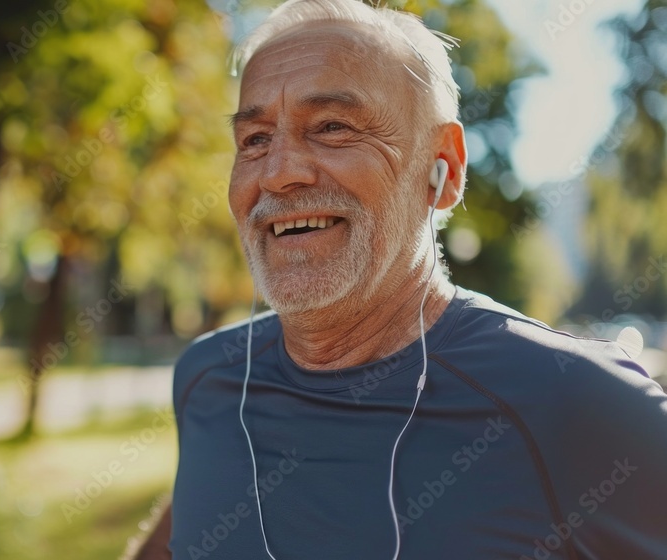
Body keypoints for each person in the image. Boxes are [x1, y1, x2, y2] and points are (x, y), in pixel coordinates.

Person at [130, 0, 667, 558]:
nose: (279, 172)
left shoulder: (579, 401)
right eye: (255, 139)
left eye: (332, 127)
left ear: (445, 169)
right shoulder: (208, 379)